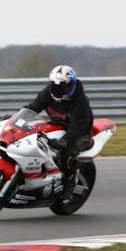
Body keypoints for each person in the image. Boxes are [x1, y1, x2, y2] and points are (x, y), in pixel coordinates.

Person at [24, 65, 94, 200]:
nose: (61, 90)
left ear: (71, 84)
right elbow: (33, 108)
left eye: (64, 86)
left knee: (67, 154)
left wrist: (65, 141)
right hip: (57, 126)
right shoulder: (48, 93)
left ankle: (69, 183)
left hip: (81, 132)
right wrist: (17, 118)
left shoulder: (80, 100)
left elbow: (78, 125)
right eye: (56, 87)